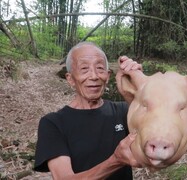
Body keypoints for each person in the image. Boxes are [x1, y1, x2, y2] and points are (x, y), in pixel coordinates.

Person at [33, 42, 142, 179]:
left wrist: (138, 88)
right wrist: (115, 161)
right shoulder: (53, 123)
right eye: (84, 69)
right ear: (71, 79)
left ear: (108, 76)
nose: (94, 76)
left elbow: (155, 134)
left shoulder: (123, 110)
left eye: (100, 68)